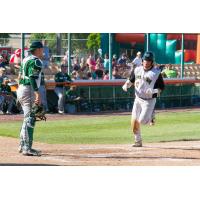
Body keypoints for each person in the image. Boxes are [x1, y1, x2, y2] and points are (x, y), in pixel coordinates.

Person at [122, 51, 165, 147]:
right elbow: (131, 79)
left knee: (142, 121)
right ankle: (138, 141)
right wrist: (126, 84)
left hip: (149, 101)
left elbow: (161, 88)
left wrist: (153, 91)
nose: (146, 62)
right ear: (142, 60)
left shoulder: (156, 73)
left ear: (152, 62)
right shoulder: (137, 69)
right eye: (145, 60)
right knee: (133, 121)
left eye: (149, 60)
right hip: (138, 99)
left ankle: (151, 115)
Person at [17, 41, 44, 156]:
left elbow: (19, 76)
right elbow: (32, 77)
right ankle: (27, 148)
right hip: (29, 89)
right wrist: (37, 93)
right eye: (41, 49)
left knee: (27, 118)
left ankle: (22, 144)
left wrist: (19, 93)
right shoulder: (36, 61)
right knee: (30, 118)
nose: (42, 51)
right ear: (37, 49)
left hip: (22, 88)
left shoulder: (25, 59)